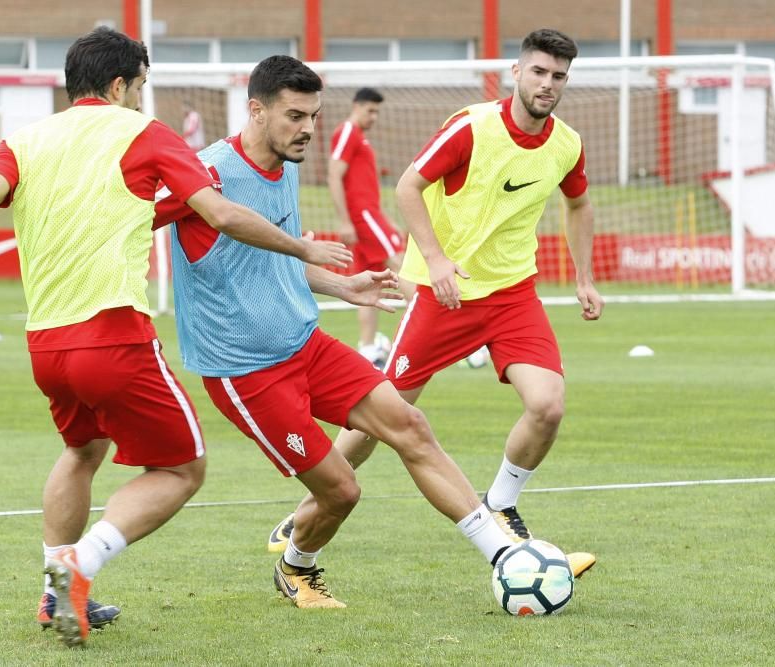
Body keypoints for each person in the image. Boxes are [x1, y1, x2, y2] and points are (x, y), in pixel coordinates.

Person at [0, 28, 349, 648]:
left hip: (45, 345)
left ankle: (51, 590)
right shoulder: (143, 134)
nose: (142, 98)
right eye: (141, 86)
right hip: (113, 337)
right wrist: (304, 247)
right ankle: (78, 566)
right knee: (180, 469)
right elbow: (221, 211)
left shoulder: (26, 140)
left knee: (82, 451)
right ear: (120, 85)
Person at [155, 55, 518, 610]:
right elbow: (128, 217)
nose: (308, 129)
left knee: (410, 425)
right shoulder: (202, 173)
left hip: (307, 344)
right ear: (256, 110)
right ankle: (299, 564)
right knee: (342, 491)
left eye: (315, 116)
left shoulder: (288, 164)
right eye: (295, 115)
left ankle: (504, 558)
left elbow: (272, 260)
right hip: (245, 371)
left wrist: (342, 287)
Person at [267, 29, 603, 578]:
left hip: (513, 293)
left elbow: (580, 202)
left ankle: (501, 502)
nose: (548, 84)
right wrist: (437, 261)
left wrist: (584, 278)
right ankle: (303, 513)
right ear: (516, 73)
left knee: (548, 405)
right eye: (538, 72)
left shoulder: (566, 143)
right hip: (440, 294)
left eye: (559, 75)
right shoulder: (473, 126)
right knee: (382, 416)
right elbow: (406, 186)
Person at [327, 87, 411, 368]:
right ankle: (436, 329)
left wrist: (385, 218)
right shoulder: (348, 132)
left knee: (370, 284)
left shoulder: (359, 137)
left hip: (370, 216)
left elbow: (364, 185)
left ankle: (367, 347)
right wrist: (344, 220)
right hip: (363, 218)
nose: (374, 117)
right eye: (370, 110)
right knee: (402, 268)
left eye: (377, 112)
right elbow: (334, 174)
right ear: (357, 106)